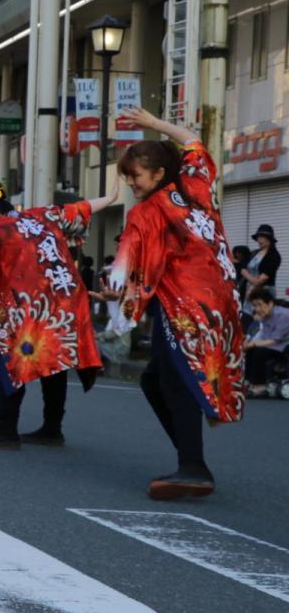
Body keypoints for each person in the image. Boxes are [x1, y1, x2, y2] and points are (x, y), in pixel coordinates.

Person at [105, 107, 246, 500]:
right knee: (156, 378)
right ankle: (192, 458)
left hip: (183, 306)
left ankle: (193, 466)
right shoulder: (195, 188)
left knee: (172, 378)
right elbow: (193, 142)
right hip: (220, 303)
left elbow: (125, 263)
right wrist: (155, 126)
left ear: (158, 174)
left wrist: (113, 292)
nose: (131, 182)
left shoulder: (147, 213)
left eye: (135, 175)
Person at [0, 185, 117, 449]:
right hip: (65, 300)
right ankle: (52, 427)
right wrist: (111, 196)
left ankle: (7, 428)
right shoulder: (42, 215)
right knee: (55, 360)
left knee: (7, 357)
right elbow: (80, 208)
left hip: (26, 303)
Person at [243, 287, 289, 397]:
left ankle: (260, 387)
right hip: (277, 345)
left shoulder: (284, 315)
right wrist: (249, 343)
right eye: (255, 305)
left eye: (259, 304)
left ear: (270, 303)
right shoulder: (266, 316)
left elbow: (275, 340)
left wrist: (254, 343)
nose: (257, 309)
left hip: (285, 346)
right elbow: (262, 333)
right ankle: (248, 382)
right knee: (250, 350)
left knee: (260, 353)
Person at [242, 225, 281, 308]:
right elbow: (243, 269)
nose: (259, 240)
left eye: (262, 237)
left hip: (264, 293)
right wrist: (252, 280)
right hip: (249, 291)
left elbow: (263, 278)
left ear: (269, 239)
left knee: (261, 317)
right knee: (247, 316)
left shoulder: (274, 256)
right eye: (258, 237)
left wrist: (252, 286)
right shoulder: (254, 253)